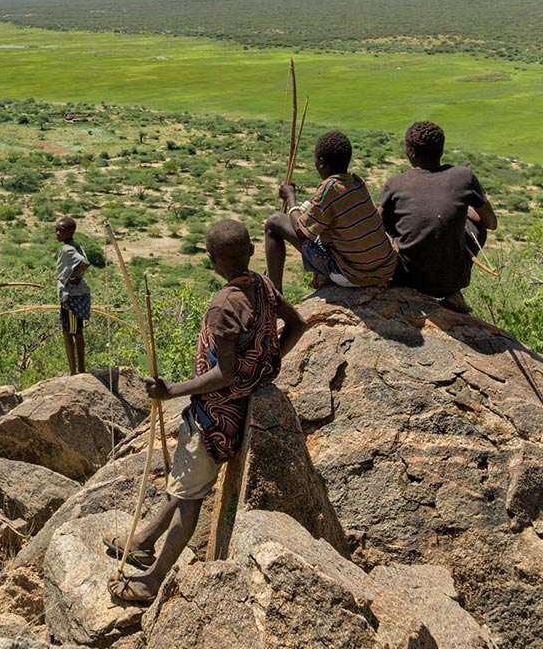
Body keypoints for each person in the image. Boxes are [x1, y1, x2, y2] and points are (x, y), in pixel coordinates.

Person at [108, 220, 307, 604]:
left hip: (213, 418)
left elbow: (224, 374)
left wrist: (171, 391)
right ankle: (144, 540)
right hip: (235, 409)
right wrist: (266, 365)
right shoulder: (264, 286)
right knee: (186, 482)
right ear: (252, 251)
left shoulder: (223, 306)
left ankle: (152, 580)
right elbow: (297, 324)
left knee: (189, 498)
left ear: (211, 260)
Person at [380, 120, 498, 314]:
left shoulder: (395, 183)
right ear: (441, 149)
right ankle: (454, 294)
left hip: (405, 278)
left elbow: (380, 228)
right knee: (477, 226)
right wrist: (464, 210)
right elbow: (491, 223)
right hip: (451, 282)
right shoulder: (464, 176)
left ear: (410, 152)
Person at [264, 130, 398, 295]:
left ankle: (275, 295)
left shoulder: (329, 190)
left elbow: (301, 231)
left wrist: (291, 197)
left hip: (354, 276)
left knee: (274, 222)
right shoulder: (356, 182)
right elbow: (323, 208)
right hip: (383, 269)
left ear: (321, 163)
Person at [53, 217, 94, 376]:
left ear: (71, 232)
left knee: (70, 333)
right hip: (76, 294)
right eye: (57, 229)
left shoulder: (67, 250)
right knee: (75, 332)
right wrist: (75, 276)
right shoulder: (76, 246)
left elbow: (84, 263)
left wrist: (72, 277)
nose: (58, 233)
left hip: (71, 296)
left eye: (61, 230)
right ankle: (78, 370)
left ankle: (74, 372)